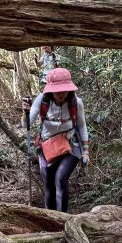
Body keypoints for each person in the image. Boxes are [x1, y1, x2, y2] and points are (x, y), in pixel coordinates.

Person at [28, 67, 89, 212]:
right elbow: (26, 124)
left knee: (60, 179)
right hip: (47, 147)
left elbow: (82, 126)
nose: (60, 94)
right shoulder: (42, 100)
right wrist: (25, 112)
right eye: (57, 90)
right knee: (49, 185)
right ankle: (50, 219)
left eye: (63, 90)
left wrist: (86, 151)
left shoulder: (76, 102)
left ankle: (63, 219)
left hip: (70, 145)